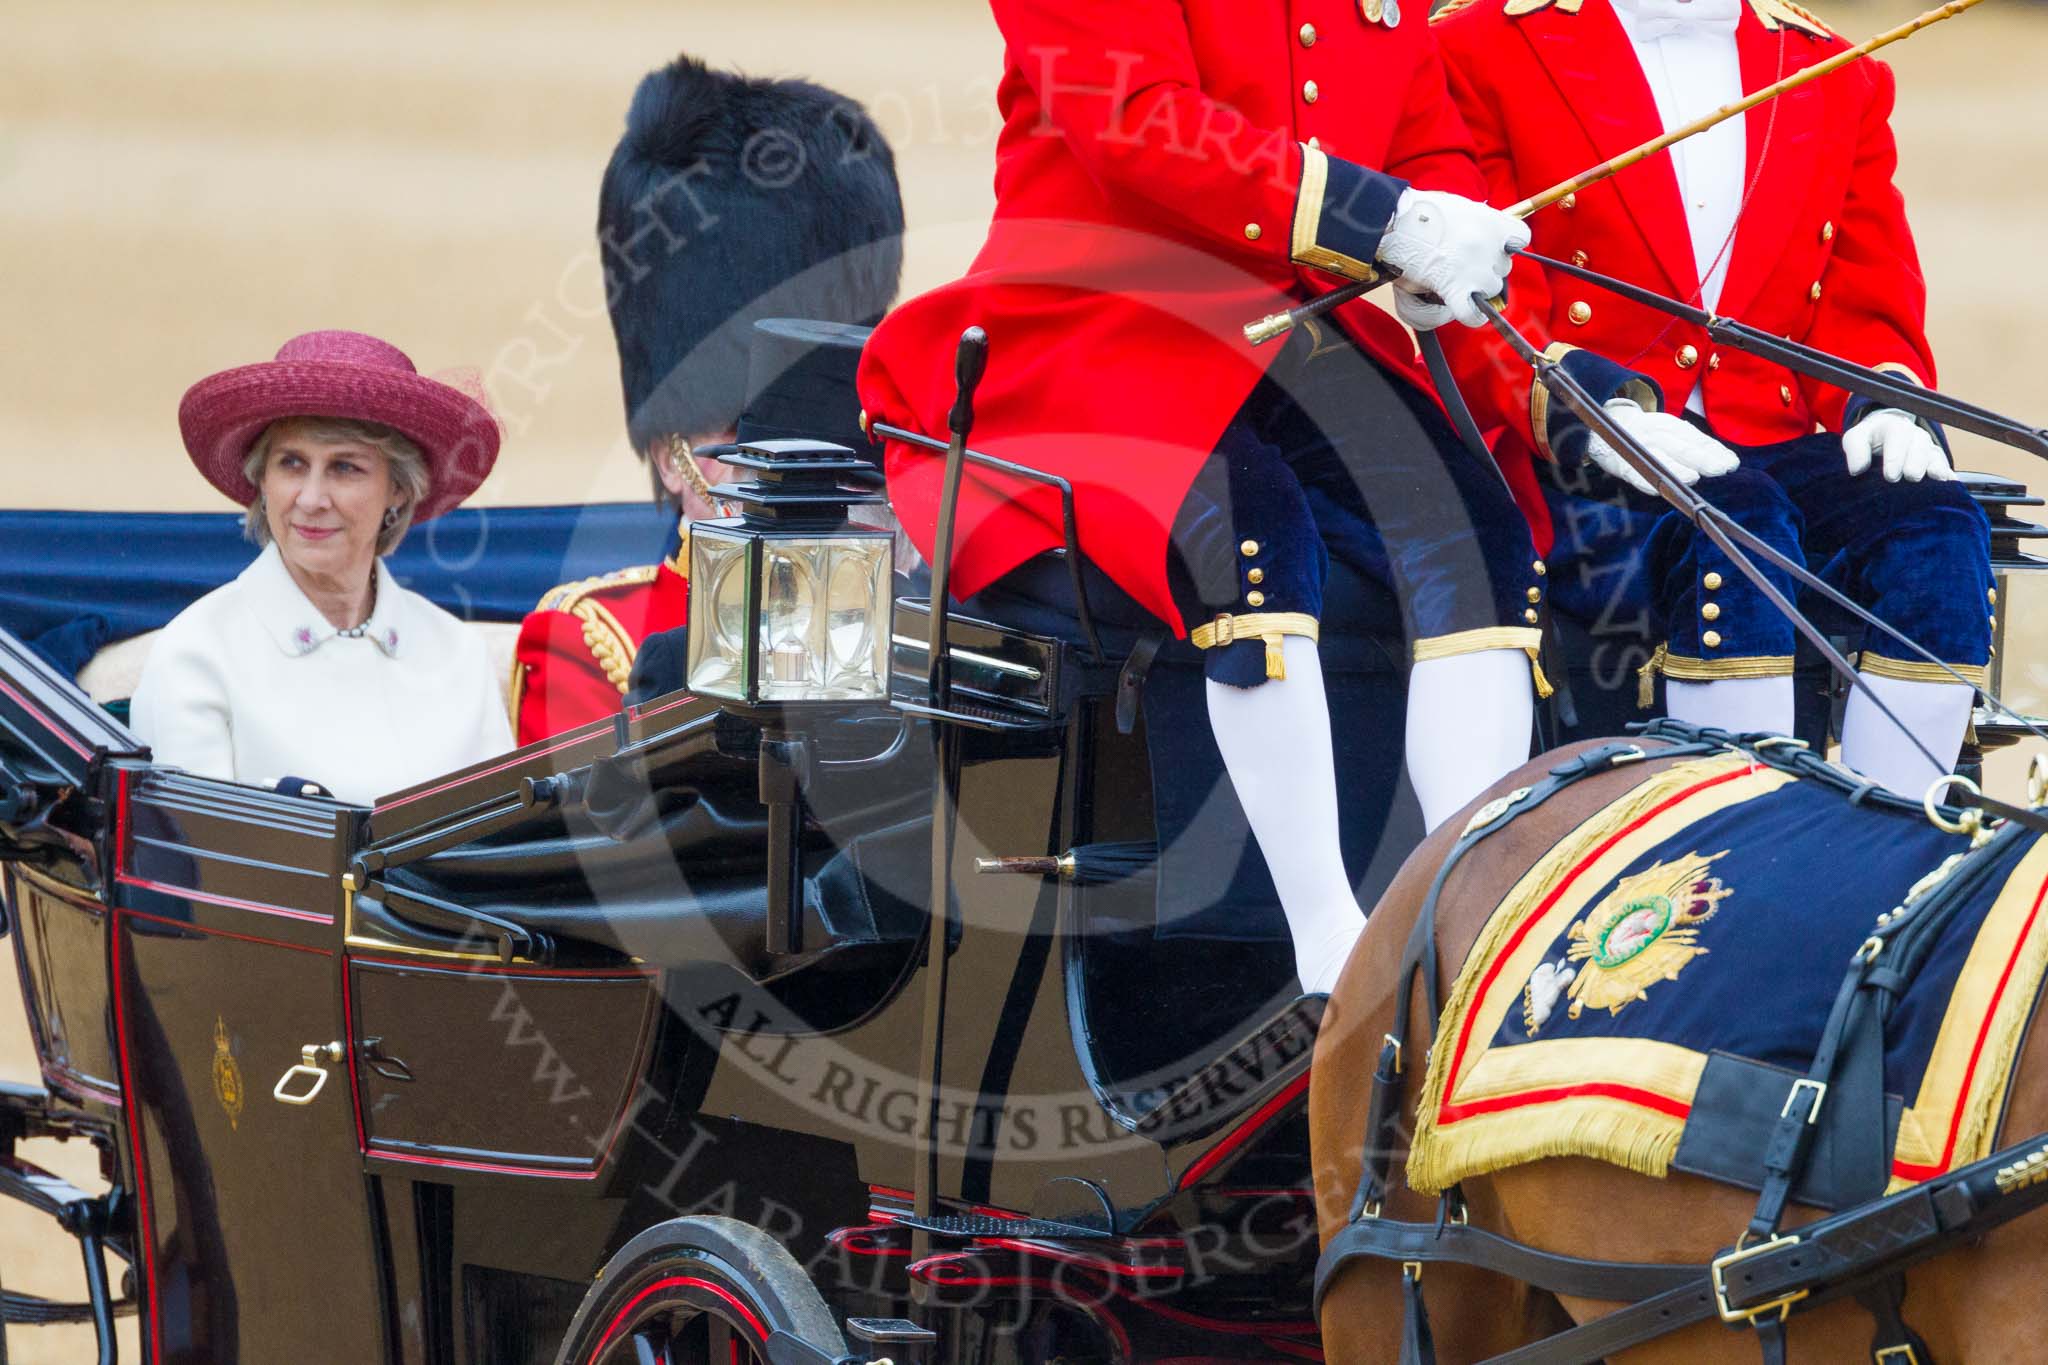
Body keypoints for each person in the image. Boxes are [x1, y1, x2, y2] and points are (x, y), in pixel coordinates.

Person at [857, 2, 1726, 993]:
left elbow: (1426, 145)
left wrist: (1548, 373)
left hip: (1284, 340)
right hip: (1089, 333)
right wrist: (1383, 222)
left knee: (1474, 531)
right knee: (1250, 541)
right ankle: (1328, 933)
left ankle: (1463, 906)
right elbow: (1135, 120)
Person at [1432, 0, 1992, 795]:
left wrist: (1890, 399)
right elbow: (1479, 301)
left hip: (1766, 429)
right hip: (1579, 440)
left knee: (1939, 528)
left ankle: (1892, 854)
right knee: (1738, 524)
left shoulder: (1837, 67)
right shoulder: (1482, 45)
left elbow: (1862, 297)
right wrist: (1593, 408)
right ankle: (1730, 864)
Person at [510, 56, 906, 742]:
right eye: (749, 434)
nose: (795, 465)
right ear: (673, 455)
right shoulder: (588, 637)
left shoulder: (914, 620)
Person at [131, 330, 512, 804]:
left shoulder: (459, 654)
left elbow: (495, 851)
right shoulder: (196, 653)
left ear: (398, 489)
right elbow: (189, 868)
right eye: (292, 463)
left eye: (345, 467)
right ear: (263, 480)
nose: (311, 499)